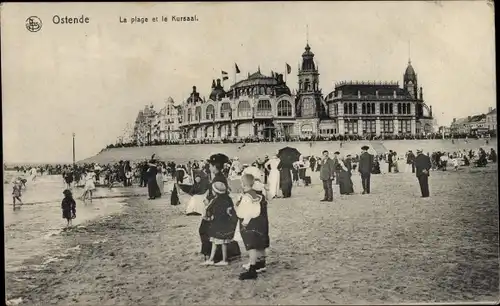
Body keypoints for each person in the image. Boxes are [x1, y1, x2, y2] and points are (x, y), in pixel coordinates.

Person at [235, 174, 268, 280]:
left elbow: (249, 212)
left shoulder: (246, 197)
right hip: (260, 222)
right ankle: (261, 263)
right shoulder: (257, 194)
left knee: (251, 245)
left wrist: (244, 223)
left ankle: (252, 268)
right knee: (260, 243)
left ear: (243, 183)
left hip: (250, 223)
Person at [201, 181, 237, 266]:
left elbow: (208, 211)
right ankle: (220, 259)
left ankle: (214, 259)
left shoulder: (215, 200)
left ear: (215, 191)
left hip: (217, 225)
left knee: (215, 242)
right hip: (226, 224)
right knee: (223, 242)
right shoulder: (228, 199)